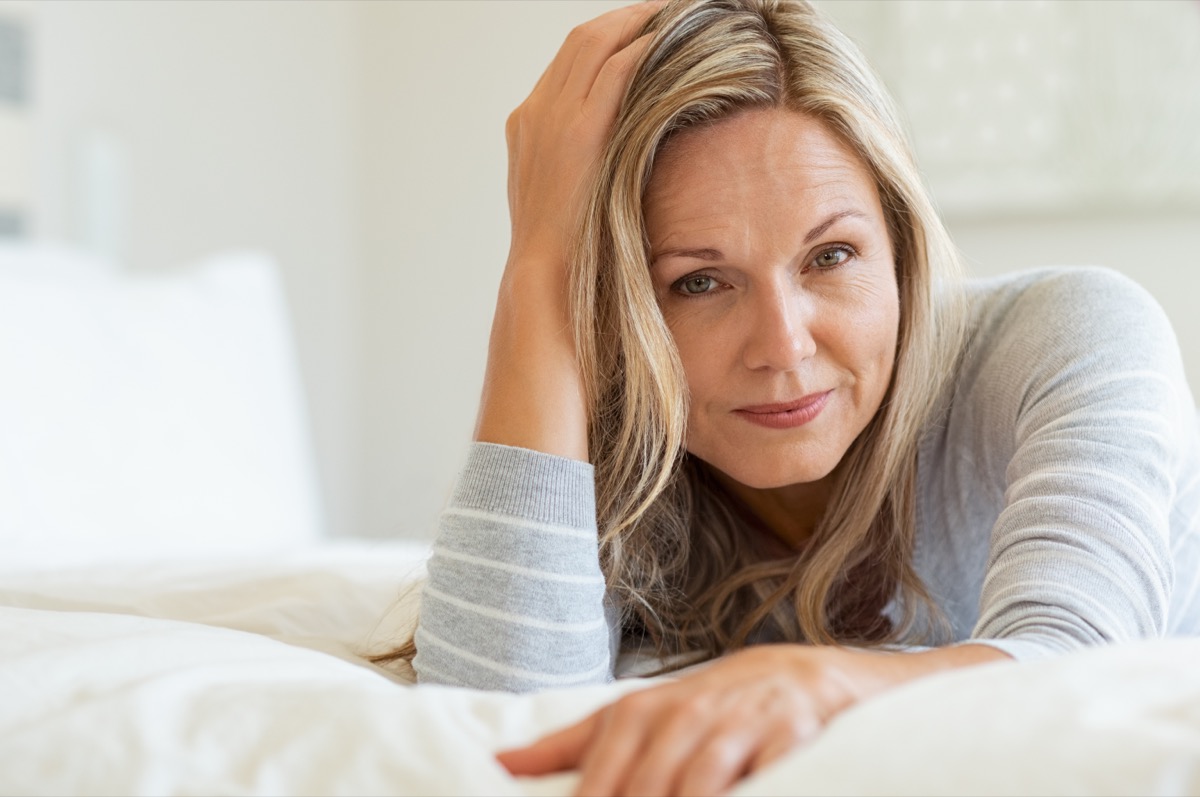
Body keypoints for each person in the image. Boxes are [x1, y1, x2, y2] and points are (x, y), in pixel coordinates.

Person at [372, 0, 1200, 794]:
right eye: (698, 281)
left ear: (901, 244)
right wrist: (544, 257)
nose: (783, 346)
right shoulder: (630, 450)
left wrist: (821, 679)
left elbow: (1081, 664)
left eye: (831, 256)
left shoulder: (1071, 336)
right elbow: (489, 716)